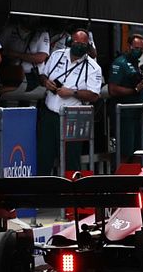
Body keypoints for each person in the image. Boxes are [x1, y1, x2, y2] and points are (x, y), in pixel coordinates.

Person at [38, 30, 102, 175]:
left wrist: (72, 92)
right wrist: (46, 82)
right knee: (43, 156)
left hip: (73, 117)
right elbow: (42, 75)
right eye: (76, 43)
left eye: (83, 44)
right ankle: (42, 186)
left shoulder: (94, 67)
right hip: (49, 114)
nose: (79, 46)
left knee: (71, 160)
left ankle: (71, 187)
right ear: (70, 42)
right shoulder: (57, 55)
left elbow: (94, 95)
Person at [108, 34, 143, 163]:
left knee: (140, 152)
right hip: (125, 115)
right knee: (125, 152)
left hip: (138, 113)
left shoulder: (136, 65)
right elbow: (112, 89)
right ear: (129, 46)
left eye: (141, 49)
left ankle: (137, 175)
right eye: (136, 48)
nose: (138, 51)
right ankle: (119, 174)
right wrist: (134, 90)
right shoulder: (120, 63)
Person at [0, 17, 49, 91]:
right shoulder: (10, 29)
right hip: (11, 71)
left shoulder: (42, 33)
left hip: (31, 76)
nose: (32, 20)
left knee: (4, 91)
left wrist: (16, 54)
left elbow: (41, 58)